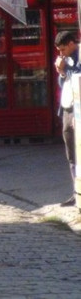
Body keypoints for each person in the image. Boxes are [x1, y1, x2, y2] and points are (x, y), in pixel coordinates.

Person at [55, 31, 81, 206]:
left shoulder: (78, 57)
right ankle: (76, 191)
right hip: (67, 109)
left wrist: (67, 70)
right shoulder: (65, 59)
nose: (61, 53)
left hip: (78, 110)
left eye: (63, 49)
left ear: (72, 44)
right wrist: (61, 73)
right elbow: (62, 83)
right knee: (71, 153)